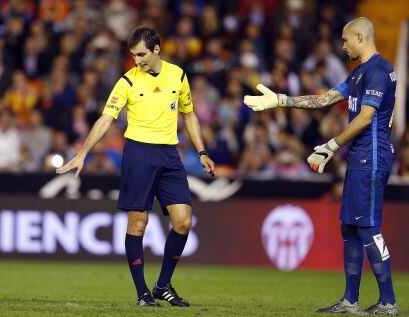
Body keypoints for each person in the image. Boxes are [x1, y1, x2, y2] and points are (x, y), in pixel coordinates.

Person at [244, 17, 398, 315]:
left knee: (368, 229)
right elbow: (323, 99)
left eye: (345, 40)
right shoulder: (358, 74)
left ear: (360, 37)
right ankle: (350, 300)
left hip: (373, 157)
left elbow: (366, 118)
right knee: (350, 227)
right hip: (358, 157)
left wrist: (330, 146)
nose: (342, 46)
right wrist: (280, 100)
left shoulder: (380, 70)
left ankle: (388, 301)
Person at [56, 26, 215, 307]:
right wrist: (82, 153)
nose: (136, 60)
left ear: (156, 49)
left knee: (183, 221)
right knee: (138, 223)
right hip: (138, 155)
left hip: (169, 155)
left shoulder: (177, 75)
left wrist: (202, 151)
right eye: (132, 55)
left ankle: (163, 285)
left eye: (141, 54)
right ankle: (143, 293)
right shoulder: (127, 82)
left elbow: (189, 115)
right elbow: (105, 119)